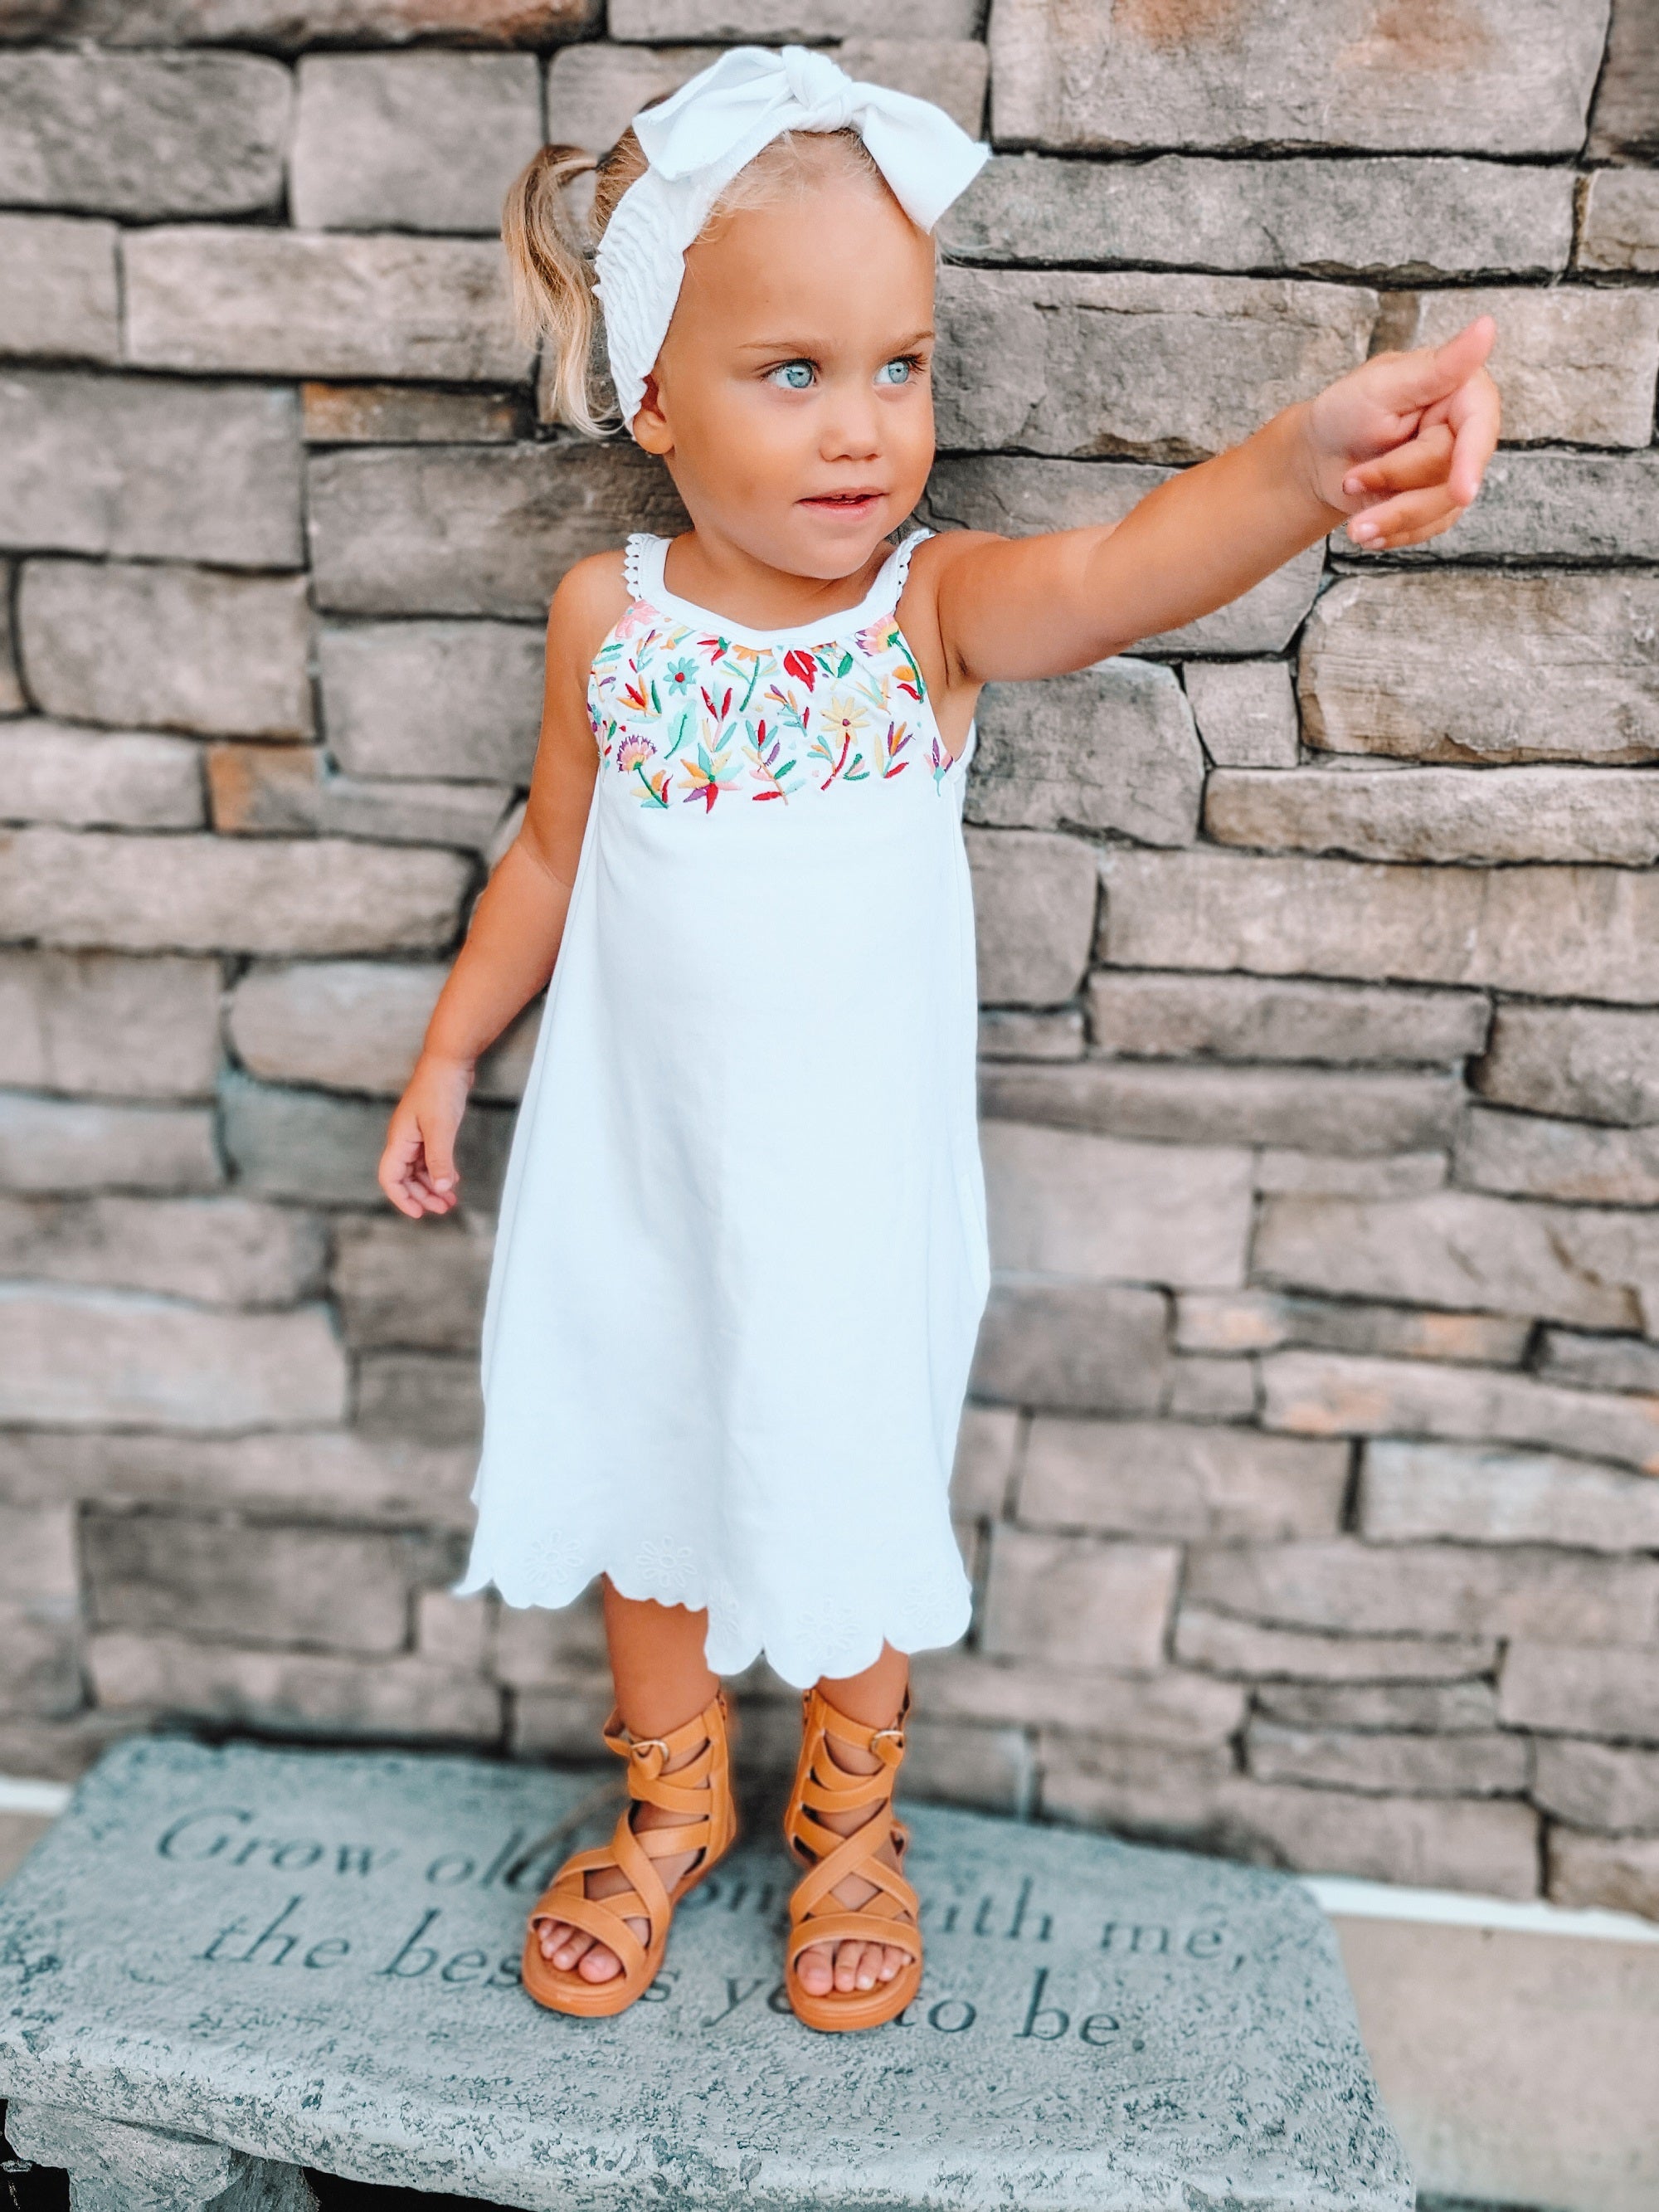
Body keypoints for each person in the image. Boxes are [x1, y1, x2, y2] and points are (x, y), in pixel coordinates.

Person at [377, 44, 1499, 2035]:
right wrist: (451, 1050)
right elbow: (548, 854)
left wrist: (1302, 466)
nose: (863, 427)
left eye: (899, 365)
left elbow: (1117, 575)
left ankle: (851, 1826)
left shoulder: (924, 617)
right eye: (792, 371)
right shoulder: (609, 624)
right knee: (646, 1462)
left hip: (845, 1207)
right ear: (653, 396)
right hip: (636, 1174)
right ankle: (669, 1806)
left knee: (839, 1472)